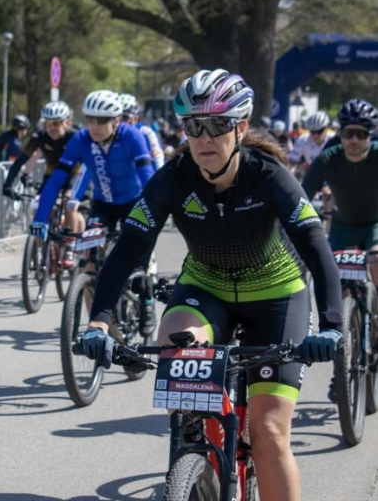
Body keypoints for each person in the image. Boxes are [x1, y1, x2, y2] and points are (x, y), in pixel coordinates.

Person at [79, 69, 342, 501]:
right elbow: (128, 249)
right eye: (193, 126)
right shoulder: (173, 178)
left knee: (269, 432)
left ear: (240, 127)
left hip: (276, 297)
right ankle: (200, 461)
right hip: (206, 289)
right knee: (176, 362)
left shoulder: (269, 175)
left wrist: (331, 325)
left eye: (217, 125)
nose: (203, 138)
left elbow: (315, 244)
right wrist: (99, 323)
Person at [29, 90, 157, 331]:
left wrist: (154, 213)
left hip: (133, 202)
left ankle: (146, 299)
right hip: (103, 206)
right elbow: (56, 180)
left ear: (116, 121)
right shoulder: (81, 140)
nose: (94, 126)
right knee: (88, 262)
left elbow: (148, 178)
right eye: (90, 120)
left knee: (139, 258)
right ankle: (96, 326)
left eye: (101, 121)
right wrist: (40, 218)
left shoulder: (132, 137)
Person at [303, 99, 378, 285]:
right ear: (340, 134)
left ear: (370, 135)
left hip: (375, 225)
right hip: (342, 227)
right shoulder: (327, 159)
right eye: (348, 133)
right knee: (334, 283)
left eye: (361, 134)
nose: (354, 140)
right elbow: (301, 198)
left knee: (376, 259)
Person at [2, 101, 86, 260]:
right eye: (49, 123)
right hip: (51, 175)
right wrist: (7, 184)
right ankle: (43, 252)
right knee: (36, 208)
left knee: (68, 203)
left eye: (57, 123)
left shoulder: (75, 136)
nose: (52, 127)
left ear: (66, 123)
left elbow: (87, 162)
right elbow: (21, 160)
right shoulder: (39, 137)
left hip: (73, 175)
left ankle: (71, 246)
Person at [117, 93, 165, 169]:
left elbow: (159, 163)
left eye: (124, 118)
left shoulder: (146, 133)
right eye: (116, 117)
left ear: (135, 119)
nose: (119, 122)